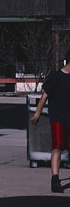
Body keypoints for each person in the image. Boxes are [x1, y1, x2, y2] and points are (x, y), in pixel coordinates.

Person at [31, 62, 70, 193]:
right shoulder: (56, 77)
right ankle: (55, 178)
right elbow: (44, 97)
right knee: (57, 147)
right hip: (58, 118)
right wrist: (37, 114)